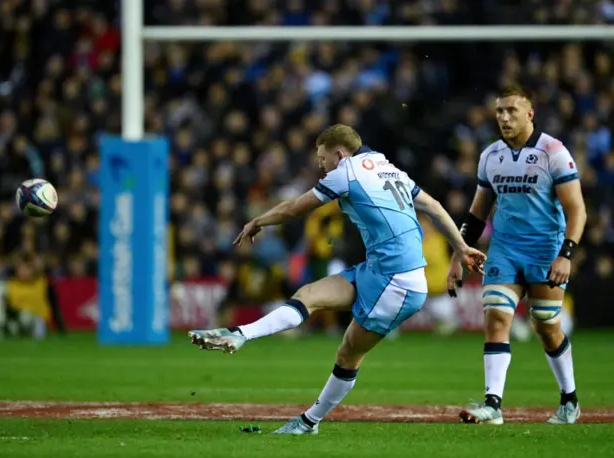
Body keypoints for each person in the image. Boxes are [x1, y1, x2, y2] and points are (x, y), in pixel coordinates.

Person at [189, 124, 486, 435]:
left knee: (349, 352)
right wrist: (462, 247)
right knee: (308, 295)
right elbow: (435, 207)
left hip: (398, 284)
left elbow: (293, 209)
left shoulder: (346, 172)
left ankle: (309, 422)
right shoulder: (388, 167)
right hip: (376, 269)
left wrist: (258, 221)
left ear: (340, 154)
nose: (321, 165)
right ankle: (239, 334)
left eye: (322, 158)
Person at [447, 86, 587, 425]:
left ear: (530, 113)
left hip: (545, 250)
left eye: (511, 110)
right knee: (496, 319)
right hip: (505, 250)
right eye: (499, 111)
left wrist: (566, 254)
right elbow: (478, 213)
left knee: (546, 326)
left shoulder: (554, 151)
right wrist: (458, 253)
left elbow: (577, 210)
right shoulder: (490, 155)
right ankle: (493, 405)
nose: (504, 117)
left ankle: (570, 400)